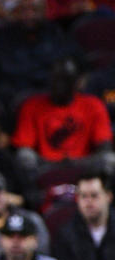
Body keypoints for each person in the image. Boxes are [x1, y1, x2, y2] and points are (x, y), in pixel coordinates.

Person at [13, 58, 115, 189]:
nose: (61, 85)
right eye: (57, 79)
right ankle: (35, 199)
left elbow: (104, 146)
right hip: (45, 165)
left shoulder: (93, 104)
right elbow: (24, 148)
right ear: (50, 80)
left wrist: (77, 162)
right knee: (24, 157)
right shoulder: (31, 105)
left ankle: (101, 197)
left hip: (83, 165)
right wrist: (55, 163)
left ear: (77, 83)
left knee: (110, 159)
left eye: (66, 80)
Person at [52, 173, 115, 260]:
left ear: (109, 197)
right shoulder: (65, 234)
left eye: (94, 195)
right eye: (83, 196)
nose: (88, 202)